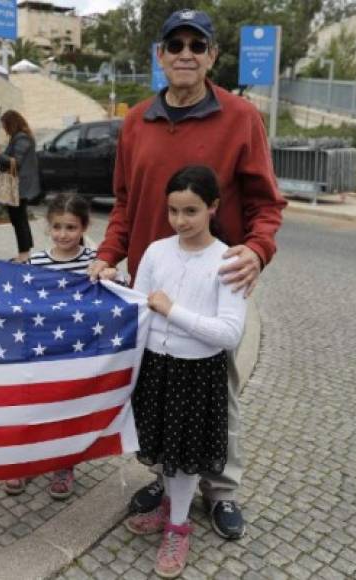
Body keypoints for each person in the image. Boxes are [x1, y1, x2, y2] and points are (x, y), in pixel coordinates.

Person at [88, 8, 286, 540]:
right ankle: (167, 472)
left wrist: (258, 250)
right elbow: (125, 203)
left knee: (218, 392)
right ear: (159, 54)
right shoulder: (136, 121)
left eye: (196, 45)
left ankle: (221, 489)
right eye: (174, 44)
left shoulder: (241, 117)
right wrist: (109, 253)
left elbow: (268, 204)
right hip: (150, 283)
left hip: (214, 276)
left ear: (212, 57)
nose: (184, 54)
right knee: (155, 386)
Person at [124, 165, 246, 577]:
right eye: (173, 211)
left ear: (213, 206)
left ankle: (179, 527)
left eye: (191, 211)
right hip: (157, 368)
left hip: (196, 373)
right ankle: (167, 508)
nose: (180, 221)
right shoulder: (157, 252)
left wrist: (172, 310)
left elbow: (228, 333)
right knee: (162, 448)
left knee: (186, 457)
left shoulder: (228, 260)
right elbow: (138, 308)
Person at [3, 192, 95, 500]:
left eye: (71, 228)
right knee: (33, 408)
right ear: (48, 227)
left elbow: (116, 297)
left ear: (84, 227)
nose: (63, 234)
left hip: (75, 353)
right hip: (38, 353)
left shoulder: (93, 264)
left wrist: (112, 276)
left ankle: (63, 465)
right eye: (57, 227)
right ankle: (26, 461)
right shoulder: (35, 261)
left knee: (67, 411)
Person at [0, 110, 40, 264]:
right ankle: (26, 251)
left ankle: (24, 255)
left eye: (4, 125)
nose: (4, 129)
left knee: (18, 220)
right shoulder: (18, 138)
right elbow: (10, 159)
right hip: (20, 185)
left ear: (11, 124)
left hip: (19, 186)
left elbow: (15, 162)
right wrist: (0, 154)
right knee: (20, 218)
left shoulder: (21, 138)